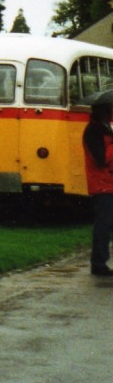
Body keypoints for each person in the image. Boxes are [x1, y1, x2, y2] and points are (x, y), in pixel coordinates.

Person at [83, 101, 113, 276]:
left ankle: (100, 260)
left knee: (105, 223)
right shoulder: (93, 132)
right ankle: (98, 263)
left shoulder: (103, 129)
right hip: (102, 184)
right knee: (103, 223)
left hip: (108, 183)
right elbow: (100, 159)